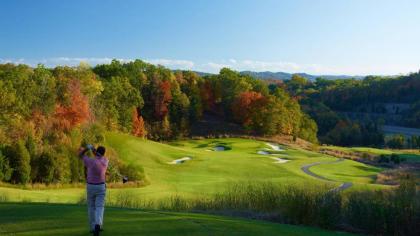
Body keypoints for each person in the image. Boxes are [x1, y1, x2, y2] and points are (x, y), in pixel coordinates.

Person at [79, 144, 109, 236]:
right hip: (101, 186)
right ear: (103, 153)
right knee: (100, 207)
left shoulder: (90, 161)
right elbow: (98, 155)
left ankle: (92, 227)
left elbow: (80, 155)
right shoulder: (105, 161)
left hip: (91, 186)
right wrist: (93, 149)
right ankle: (98, 225)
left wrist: (87, 149)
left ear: (96, 152)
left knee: (91, 207)